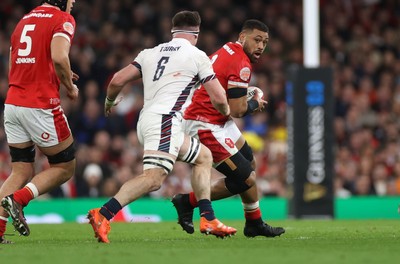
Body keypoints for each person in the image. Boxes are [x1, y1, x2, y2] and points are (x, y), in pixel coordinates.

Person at [87, 10, 236, 243]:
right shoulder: (197, 56)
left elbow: (116, 80)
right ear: (196, 33)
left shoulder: (150, 53)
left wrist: (109, 102)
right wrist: (228, 113)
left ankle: (208, 217)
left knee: (203, 157)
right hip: (165, 121)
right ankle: (103, 213)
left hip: (150, 120)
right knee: (154, 179)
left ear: (172, 31)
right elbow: (218, 97)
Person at [172, 19, 286, 237]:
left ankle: (254, 222)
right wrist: (254, 103)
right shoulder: (241, 64)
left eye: (265, 42)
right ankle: (187, 201)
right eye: (257, 40)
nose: (261, 46)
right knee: (245, 178)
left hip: (218, 118)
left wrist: (244, 96)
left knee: (249, 161)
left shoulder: (229, 49)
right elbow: (238, 110)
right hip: (203, 122)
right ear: (243, 37)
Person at [0, 0, 79, 243]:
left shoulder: (23, 21)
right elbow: (58, 56)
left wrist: (54, 73)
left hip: (13, 102)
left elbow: (14, 66)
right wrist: (69, 86)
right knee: (65, 167)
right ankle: (19, 199)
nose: (73, 3)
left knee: (21, 169)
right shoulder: (62, 19)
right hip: (40, 104)